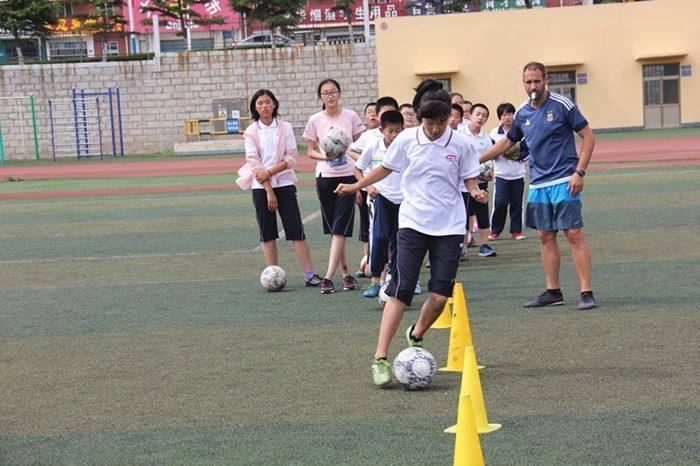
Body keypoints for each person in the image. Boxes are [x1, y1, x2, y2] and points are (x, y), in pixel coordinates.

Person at [335, 79, 488, 387]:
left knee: (440, 295)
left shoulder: (461, 143)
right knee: (401, 289)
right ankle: (380, 357)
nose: (435, 129)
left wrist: (476, 191)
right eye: (430, 123)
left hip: (449, 226)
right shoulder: (406, 139)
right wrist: (356, 184)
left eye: (441, 122)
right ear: (421, 118)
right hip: (413, 223)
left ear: (449, 119)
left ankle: (416, 333)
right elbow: (386, 169)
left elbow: (470, 179)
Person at [480, 62, 596, 310]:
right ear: (523, 83)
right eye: (528, 82)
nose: (532, 86)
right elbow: (507, 143)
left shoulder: (562, 105)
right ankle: (553, 291)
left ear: (546, 80)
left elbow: (588, 136)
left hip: (565, 178)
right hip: (538, 182)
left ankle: (586, 292)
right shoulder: (522, 113)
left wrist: (580, 172)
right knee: (545, 236)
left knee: (574, 234)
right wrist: (476, 160)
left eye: (536, 81)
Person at [236, 89, 322, 287]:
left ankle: (309, 274)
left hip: (284, 184)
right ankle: (272, 274)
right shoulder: (251, 131)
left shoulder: (285, 127)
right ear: (254, 108)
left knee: (296, 230)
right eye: (260, 103)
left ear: (274, 104)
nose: (264, 106)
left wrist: (271, 172)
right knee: (268, 232)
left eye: (267, 102)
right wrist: (267, 189)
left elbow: (291, 157)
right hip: (261, 188)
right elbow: (253, 161)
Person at [303, 78, 365, 294]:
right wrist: (325, 157)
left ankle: (328, 278)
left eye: (333, 92)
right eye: (326, 93)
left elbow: (361, 148)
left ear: (340, 93)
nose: (330, 96)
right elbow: (310, 150)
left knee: (340, 229)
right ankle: (346, 274)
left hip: (348, 177)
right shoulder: (315, 120)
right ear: (320, 96)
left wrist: (358, 175)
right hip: (325, 178)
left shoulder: (351, 116)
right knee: (335, 231)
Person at [354, 110, 404, 298]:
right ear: (382, 130)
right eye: (390, 131)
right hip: (381, 198)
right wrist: (368, 187)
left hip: (404, 199)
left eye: (398, 131)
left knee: (401, 240)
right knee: (380, 237)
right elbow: (357, 169)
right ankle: (376, 280)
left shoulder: (405, 146)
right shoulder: (373, 146)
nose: (394, 135)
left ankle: (403, 280)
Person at [488, 102, 528, 241]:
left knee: (517, 203)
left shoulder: (521, 131)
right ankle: (495, 230)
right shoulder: (494, 133)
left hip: (518, 173)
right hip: (501, 174)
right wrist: (502, 152)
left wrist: (517, 155)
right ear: (500, 117)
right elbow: (491, 151)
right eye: (504, 115)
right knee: (500, 202)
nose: (507, 117)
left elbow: (526, 151)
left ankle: (516, 231)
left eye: (510, 114)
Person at [462, 103, 497, 258]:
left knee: (482, 212)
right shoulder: (460, 134)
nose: (481, 117)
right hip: (462, 183)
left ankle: (484, 245)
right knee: (462, 215)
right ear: (470, 116)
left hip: (481, 181)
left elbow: (489, 160)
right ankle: (461, 248)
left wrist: (486, 172)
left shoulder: (486, 139)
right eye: (478, 114)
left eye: (484, 115)